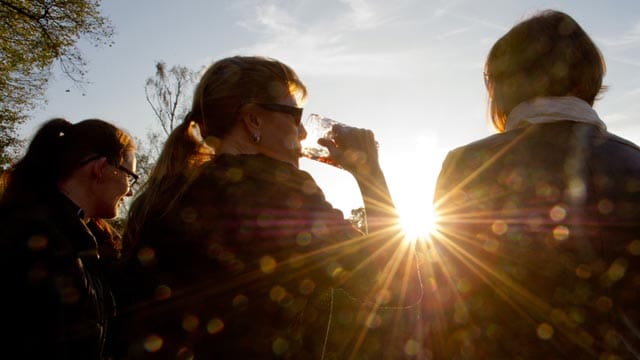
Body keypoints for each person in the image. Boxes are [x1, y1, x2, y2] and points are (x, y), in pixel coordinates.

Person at [112, 56, 421, 359]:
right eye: (295, 117)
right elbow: (397, 286)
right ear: (254, 120)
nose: (302, 133)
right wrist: (371, 177)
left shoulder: (169, 193)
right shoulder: (278, 190)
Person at [428, 10, 640, 358]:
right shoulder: (634, 163)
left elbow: (444, 304)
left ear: (503, 85)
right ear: (588, 79)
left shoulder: (467, 165)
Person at [0, 118, 137, 359]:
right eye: (130, 176)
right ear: (101, 168)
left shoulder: (80, 240)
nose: (130, 190)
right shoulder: (38, 243)